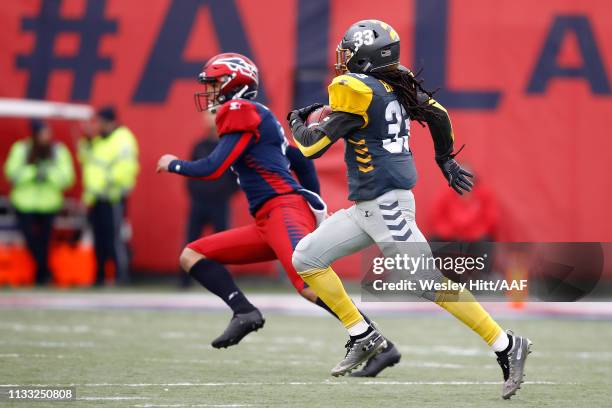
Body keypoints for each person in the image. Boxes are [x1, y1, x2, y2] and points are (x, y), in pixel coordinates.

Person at [287, 20, 531, 398]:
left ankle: (505, 345)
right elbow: (439, 114)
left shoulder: (356, 89)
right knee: (306, 258)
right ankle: (362, 334)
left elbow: (310, 148)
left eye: (349, 51)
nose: (344, 58)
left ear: (365, 57)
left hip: (387, 208)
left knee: (426, 284)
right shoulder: (393, 85)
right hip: (368, 208)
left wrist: (297, 122)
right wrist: (444, 157)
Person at [156, 52, 400, 376]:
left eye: (214, 83)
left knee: (307, 282)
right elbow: (299, 159)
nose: (210, 91)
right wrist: (316, 203)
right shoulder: (257, 114)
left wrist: (174, 164)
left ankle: (376, 342)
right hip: (268, 219)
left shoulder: (238, 110)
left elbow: (213, 168)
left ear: (233, 83)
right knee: (193, 255)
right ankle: (244, 312)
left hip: (281, 210)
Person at [4, 119, 75, 284]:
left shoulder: (58, 151)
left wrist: (48, 175)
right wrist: (33, 173)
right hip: (25, 203)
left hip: (49, 203)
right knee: (30, 239)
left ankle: (42, 274)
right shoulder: (21, 149)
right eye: (43, 133)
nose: (47, 137)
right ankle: (43, 271)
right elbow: (11, 173)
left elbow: (67, 177)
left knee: (45, 240)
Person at [78, 107, 139, 285]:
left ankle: (121, 276)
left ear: (111, 122)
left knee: (115, 238)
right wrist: (87, 141)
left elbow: (126, 169)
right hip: (95, 198)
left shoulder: (123, 139)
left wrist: (106, 184)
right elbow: (86, 161)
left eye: (101, 122)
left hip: (112, 198)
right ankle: (100, 276)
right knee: (98, 239)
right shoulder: (97, 141)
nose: (99, 126)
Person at [180, 111, 239, 288]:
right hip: (200, 201)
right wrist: (195, 192)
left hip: (219, 202)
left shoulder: (227, 145)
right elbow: (190, 171)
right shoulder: (200, 146)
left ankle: (221, 281)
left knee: (222, 244)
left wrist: (226, 193)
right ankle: (184, 280)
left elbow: (237, 175)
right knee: (191, 240)